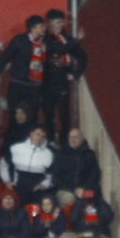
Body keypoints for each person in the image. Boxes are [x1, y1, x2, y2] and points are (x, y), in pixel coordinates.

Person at [42, 9, 86, 144]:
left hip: (62, 81)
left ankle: (65, 142)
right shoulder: (45, 37)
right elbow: (56, 48)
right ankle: (49, 141)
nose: (61, 25)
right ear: (49, 23)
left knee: (64, 115)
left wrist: (75, 74)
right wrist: (76, 40)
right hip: (46, 82)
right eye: (58, 22)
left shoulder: (66, 38)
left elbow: (83, 57)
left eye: (62, 22)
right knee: (48, 114)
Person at [0, 15, 47, 119]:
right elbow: (5, 56)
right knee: (14, 115)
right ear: (33, 28)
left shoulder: (45, 41)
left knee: (32, 116)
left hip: (34, 87)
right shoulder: (19, 40)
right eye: (41, 26)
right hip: (18, 85)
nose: (44, 28)